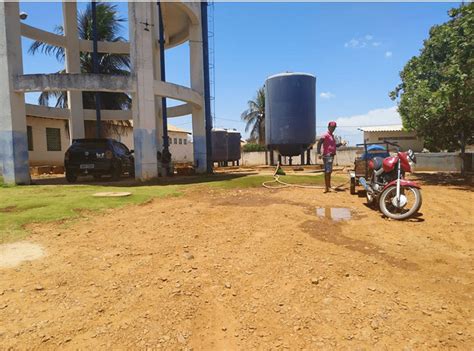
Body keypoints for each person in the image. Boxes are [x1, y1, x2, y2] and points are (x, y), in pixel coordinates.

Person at [317, 121, 346, 193]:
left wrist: (341, 143)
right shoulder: (326, 135)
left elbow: (334, 146)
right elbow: (319, 143)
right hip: (327, 155)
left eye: (334, 127)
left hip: (331, 155)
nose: (333, 129)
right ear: (328, 127)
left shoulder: (332, 136)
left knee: (329, 171)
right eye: (332, 127)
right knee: (327, 171)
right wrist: (318, 153)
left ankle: (328, 186)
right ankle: (326, 187)